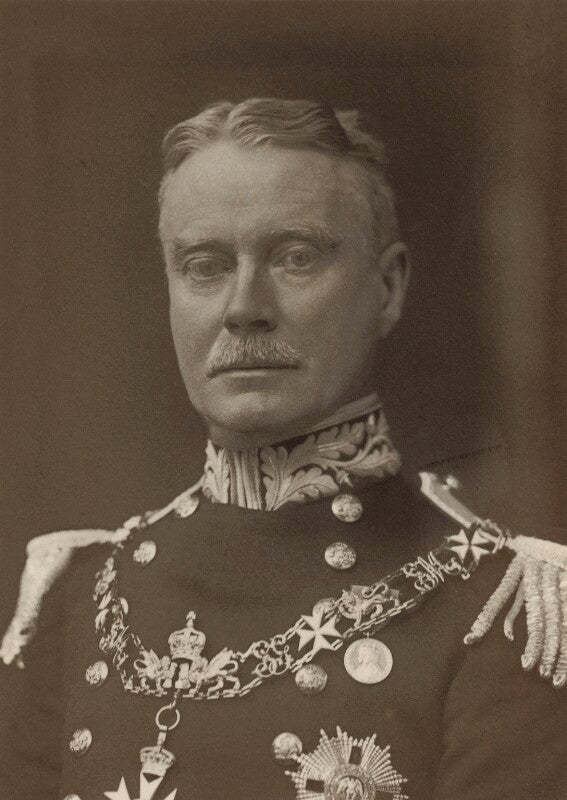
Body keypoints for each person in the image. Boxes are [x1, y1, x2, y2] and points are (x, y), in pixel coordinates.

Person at [1, 98, 565, 800]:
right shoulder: (76, 598)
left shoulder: (505, 614)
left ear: (387, 288)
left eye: (296, 258)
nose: (244, 308)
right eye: (204, 266)